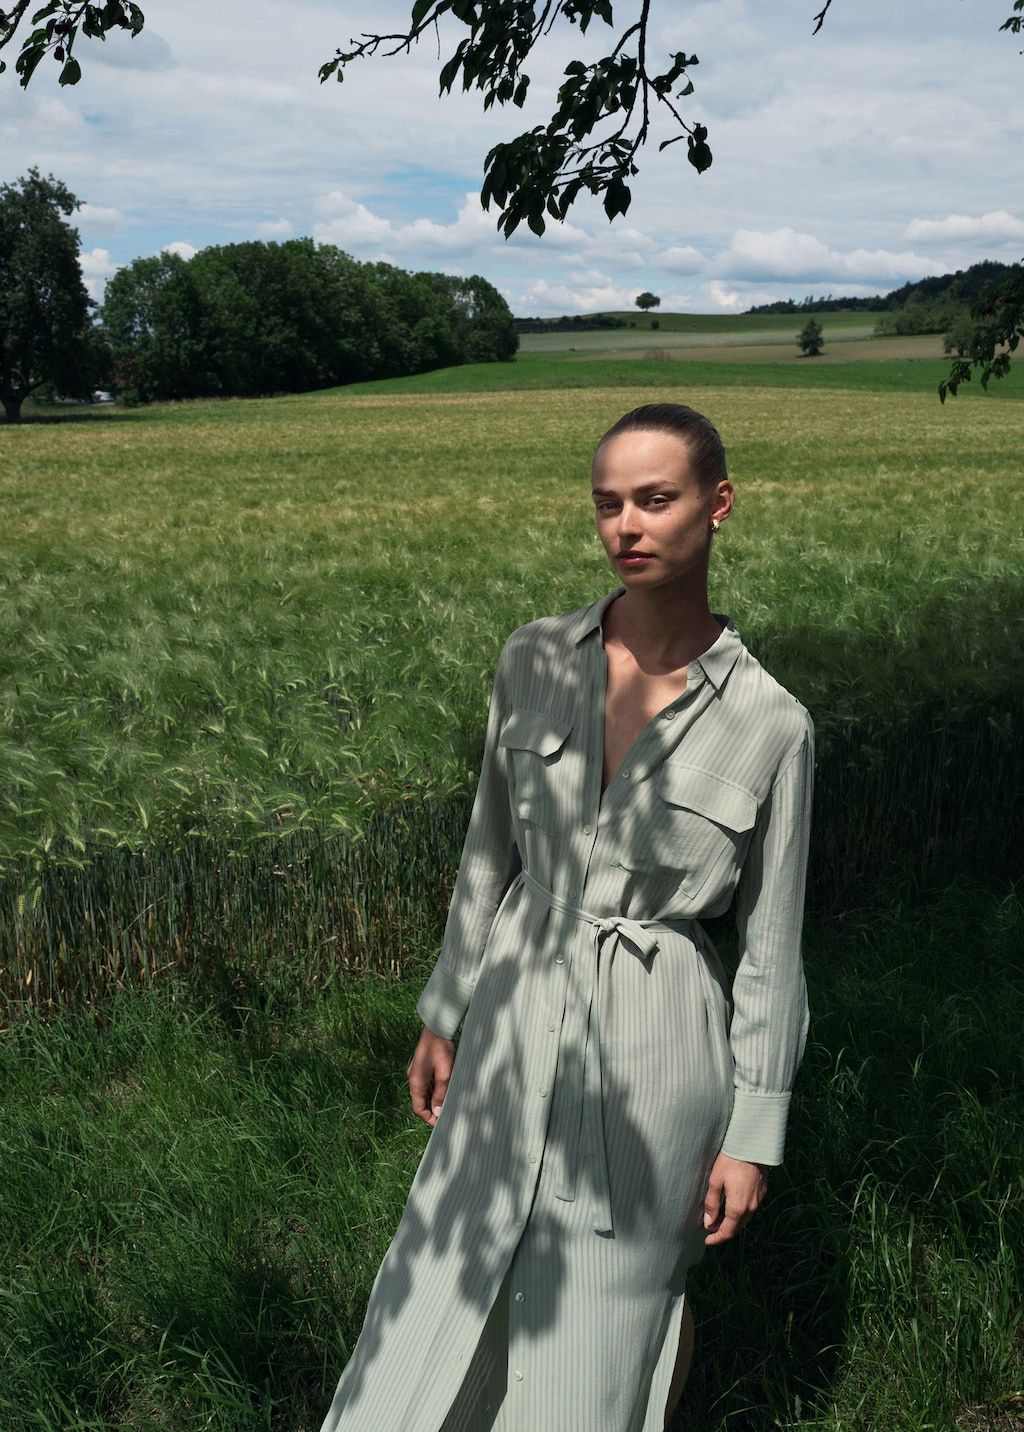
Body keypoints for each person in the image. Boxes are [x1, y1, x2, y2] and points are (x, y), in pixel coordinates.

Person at [318, 401, 815, 1432]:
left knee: (615, 1310)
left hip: (658, 1039)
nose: (625, 526)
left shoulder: (771, 721)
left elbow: (772, 949)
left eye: (655, 499)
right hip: (513, 999)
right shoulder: (534, 657)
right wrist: (443, 1010)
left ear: (719, 504)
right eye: (606, 504)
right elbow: (487, 851)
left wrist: (752, 1133)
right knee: (445, 1270)